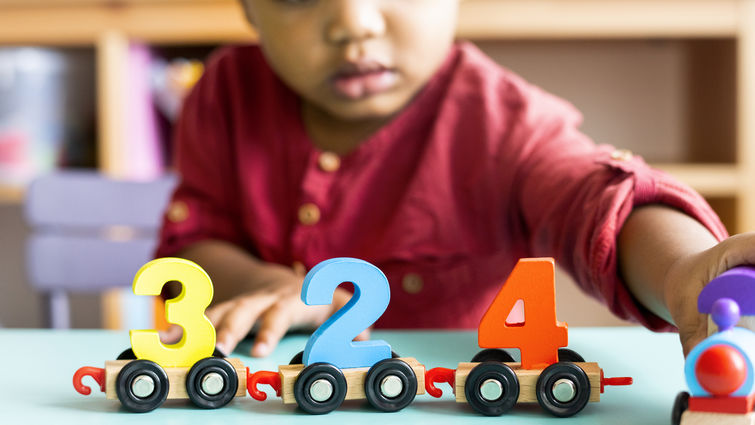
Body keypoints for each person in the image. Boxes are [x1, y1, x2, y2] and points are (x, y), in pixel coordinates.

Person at [155, 0, 755, 359]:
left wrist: (682, 273)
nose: (354, 24)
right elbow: (195, 244)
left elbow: (594, 200)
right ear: (248, 10)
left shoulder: (503, 120)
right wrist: (269, 285)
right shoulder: (224, 94)